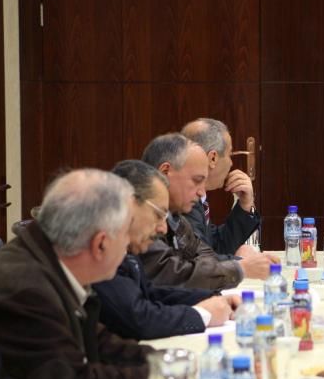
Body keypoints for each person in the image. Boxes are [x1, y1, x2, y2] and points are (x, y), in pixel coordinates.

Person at [0, 169, 151, 379]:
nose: (128, 242)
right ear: (100, 244)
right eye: (126, 233)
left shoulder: (45, 259)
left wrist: (163, 360)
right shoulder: (28, 292)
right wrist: (159, 373)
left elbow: (95, 341)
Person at [94, 160, 241, 340]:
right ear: (130, 204)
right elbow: (139, 319)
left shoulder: (128, 246)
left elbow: (151, 293)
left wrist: (214, 298)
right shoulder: (101, 249)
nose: (163, 228)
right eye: (159, 215)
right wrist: (202, 314)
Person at [141, 133, 272, 290]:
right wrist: (241, 267)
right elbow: (173, 277)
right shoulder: (141, 219)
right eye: (197, 180)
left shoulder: (176, 217)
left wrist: (243, 263)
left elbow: (205, 257)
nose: (202, 192)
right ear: (164, 172)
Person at [181, 118, 262, 255]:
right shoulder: (185, 199)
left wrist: (245, 205)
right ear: (213, 158)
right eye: (230, 155)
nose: (231, 163)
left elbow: (216, 246)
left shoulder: (197, 197)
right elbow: (200, 260)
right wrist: (242, 264)